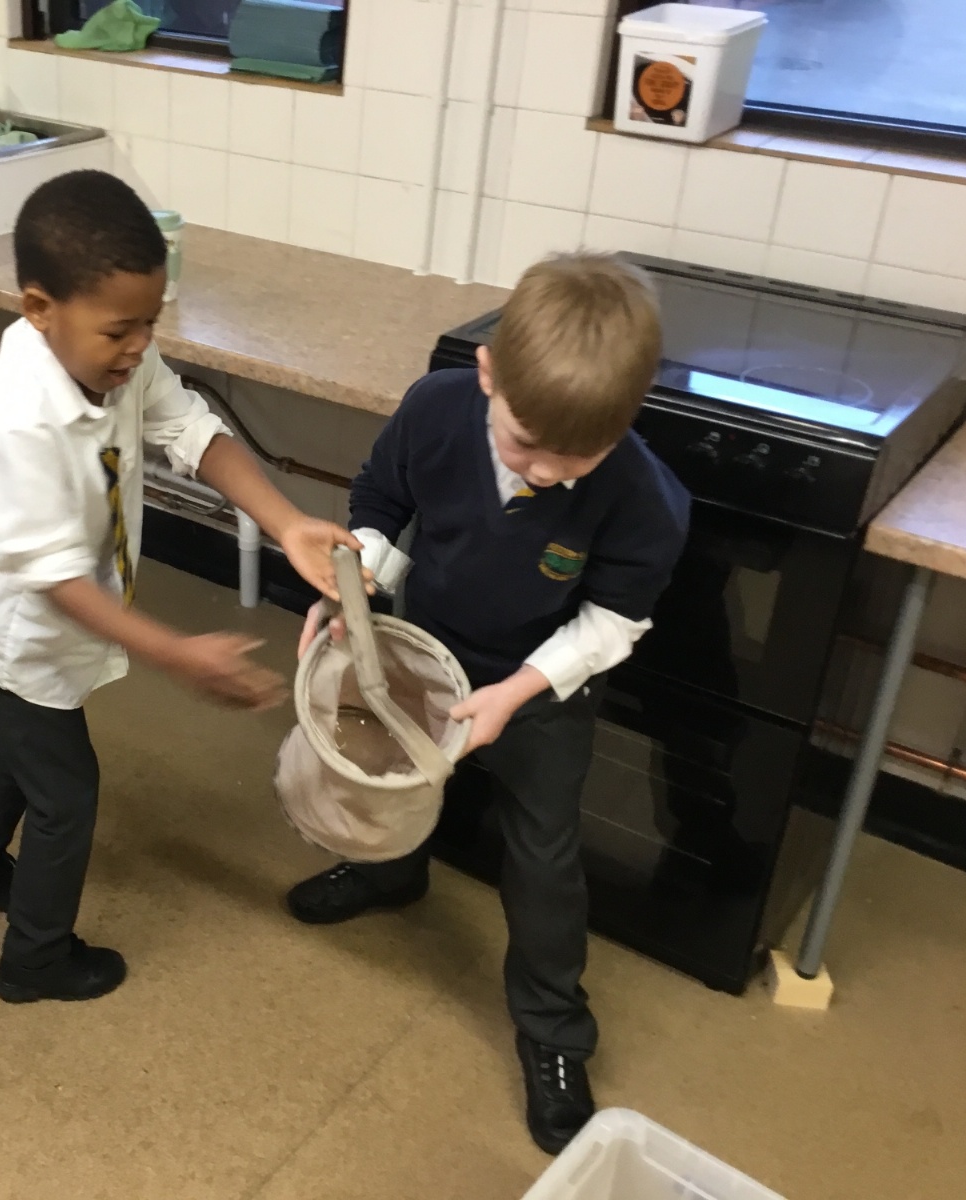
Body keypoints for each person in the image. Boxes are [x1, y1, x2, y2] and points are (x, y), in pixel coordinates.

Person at [0, 169, 361, 1005]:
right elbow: (54, 578)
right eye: (120, 331)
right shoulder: (24, 415)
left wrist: (286, 523)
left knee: (29, 747)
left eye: (150, 323)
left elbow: (190, 427)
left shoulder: (116, 351)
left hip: (53, 614)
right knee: (66, 790)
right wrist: (177, 653)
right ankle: (33, 961)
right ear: (40, 308)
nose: (138, 347)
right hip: (13, 624)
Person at [286, 253, 690, 1155]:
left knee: (542, 856)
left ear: (627, 421)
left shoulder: (646, 498)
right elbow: (382, 499)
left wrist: (514, 693)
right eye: (524, 443)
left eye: (573, 460)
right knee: (391, 774)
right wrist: (354, 591)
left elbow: (613, 620)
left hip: (540, 685)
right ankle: (390, 872)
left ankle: (554, 1033)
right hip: (423, 645)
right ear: (487, 375)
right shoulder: (435, 409)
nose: (542, 473)